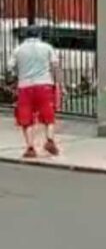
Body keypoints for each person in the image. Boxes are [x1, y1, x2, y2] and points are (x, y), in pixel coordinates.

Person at [7, 25, 60, 158]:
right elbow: (55, 65)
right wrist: (57, 82)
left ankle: (30, 147)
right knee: (48, 115)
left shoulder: (18, 50)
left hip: (25, 86)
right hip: (44, 84)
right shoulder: (47, 47)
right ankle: (50, 139)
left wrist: (16, 75)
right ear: (39, 35)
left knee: (26, 118)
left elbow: (10, 67)